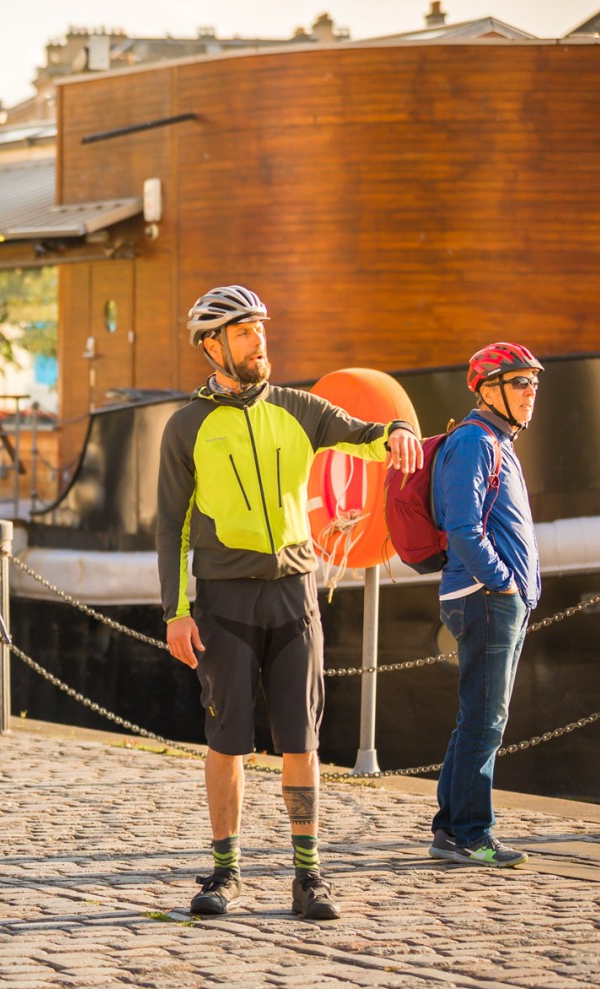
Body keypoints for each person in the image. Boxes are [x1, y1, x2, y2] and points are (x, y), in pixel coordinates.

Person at [157, 286, 422, 920]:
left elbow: (364, 434)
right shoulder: (186, 426)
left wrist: (400, 431)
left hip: (295, 594)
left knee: (301, 739)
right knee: (227, 740)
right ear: (212, 345)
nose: (259, 342)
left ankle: (309, 877)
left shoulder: (299, 409)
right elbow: (172, 526)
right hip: (223, 601)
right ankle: (226, 872)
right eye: (245, 332)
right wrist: (176, 611)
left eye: (260, 330)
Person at [427, 343, 543, 868]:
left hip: (493, 598)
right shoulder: (475, 441)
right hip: (485, 599)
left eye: (533, 383)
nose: (530, 392)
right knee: (486, 719)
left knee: (477, 715)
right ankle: (473, 833)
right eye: (519, 382)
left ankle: (451, 828)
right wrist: (503, 584)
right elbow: (463, 527)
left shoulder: (495, 440)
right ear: (487, 388)